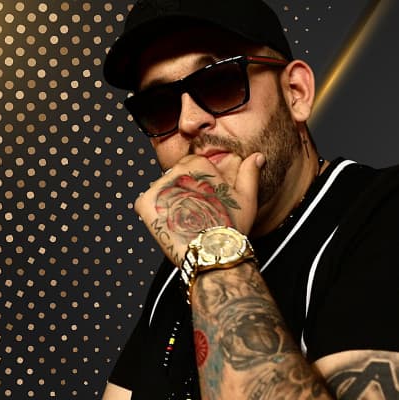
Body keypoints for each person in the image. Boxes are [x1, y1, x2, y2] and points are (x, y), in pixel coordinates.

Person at [101, 0, 399, 398]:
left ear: (295, 93)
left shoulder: (383, 212)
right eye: (159, 106)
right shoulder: (185, 260)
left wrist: (214, 254)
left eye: (220, 82)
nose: (189, 121)